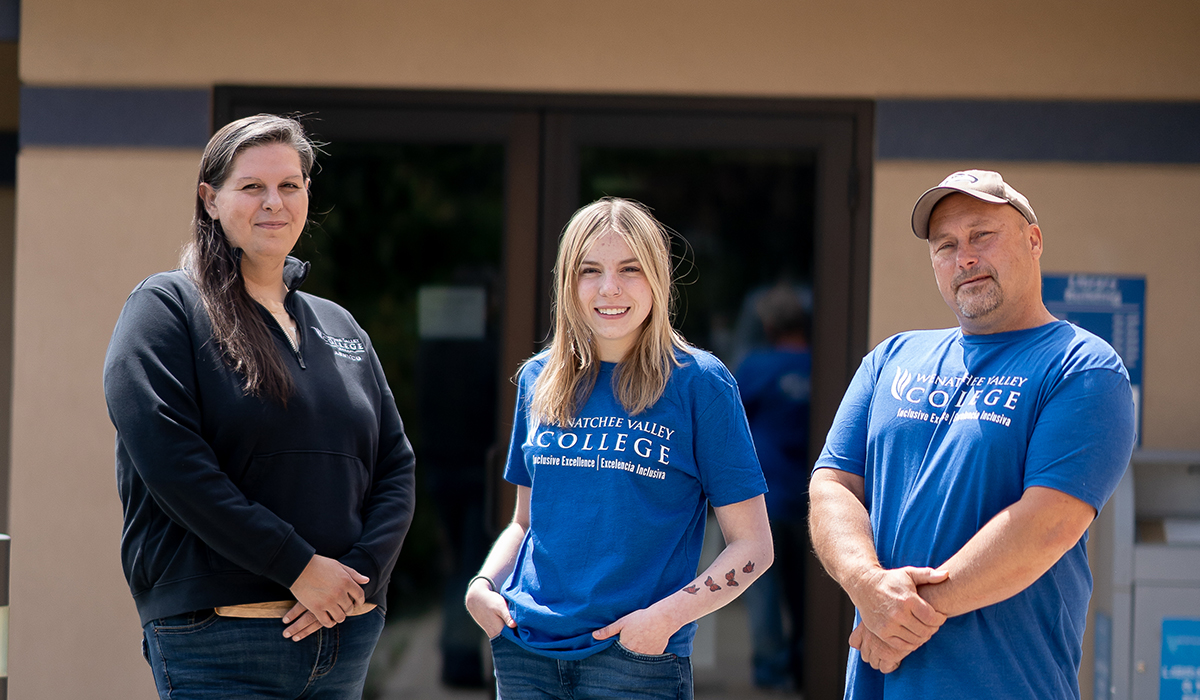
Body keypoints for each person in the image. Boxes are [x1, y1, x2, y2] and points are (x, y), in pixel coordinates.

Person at [103, 114, 416, 699]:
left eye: (290, 186)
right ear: (210, 199)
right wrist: (298, 567)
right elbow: (175, 467)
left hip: (342, 640)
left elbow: (396, 464)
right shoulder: (165, 310)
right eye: (252, 187)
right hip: (219, 645)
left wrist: (358, 582)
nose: (274, 202)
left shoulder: (339, 325)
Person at [808, 169, 1136, 699]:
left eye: (983, 235)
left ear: (1034, 241)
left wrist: (902, 615)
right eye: (946, 245)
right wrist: (865, 583)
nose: (964, 257)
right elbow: (833, 485)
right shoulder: (890, 358)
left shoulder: (1082, 368)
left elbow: (1047, 524)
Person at [465, 197, 773, 700]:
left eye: (630, 269)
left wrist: (661, 622)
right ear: (568, 283)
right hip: (524, 652)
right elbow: (524, 523)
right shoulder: (539, 378)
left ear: (656, 278)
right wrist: (481, 586)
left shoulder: (699, 383)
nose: (609, 288)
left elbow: (753, 547)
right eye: (590, 270)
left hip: (634, 660)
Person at [734, 283, 811, 692]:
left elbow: (726, 429)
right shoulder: (824, 366)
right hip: (814, 498)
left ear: (766, 325)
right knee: (807, 590)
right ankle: (805, 663)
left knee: (761, 590)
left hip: (762, 498)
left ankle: (771, 671)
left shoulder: (755, 369)